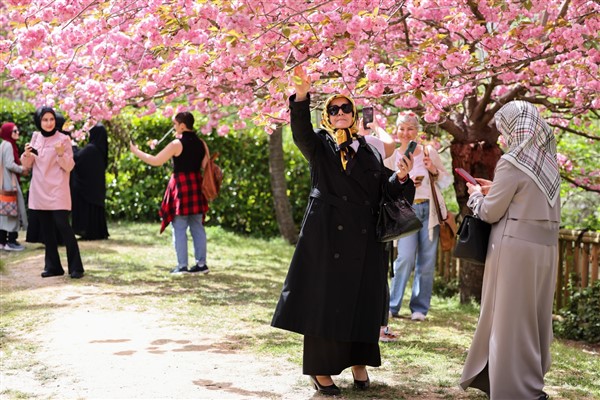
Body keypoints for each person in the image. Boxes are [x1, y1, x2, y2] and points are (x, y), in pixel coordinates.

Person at [271, 66, 415, 396]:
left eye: (345, 108)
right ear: (327, 115)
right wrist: (302, 95)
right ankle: (321, 370)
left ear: (353, 115)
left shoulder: (369, 148)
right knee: (326, 300)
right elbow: (300, 133)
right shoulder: (319, 144)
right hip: (326, 234)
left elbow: (383, 191)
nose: (339, 113)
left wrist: (402, 178)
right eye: (333, 109)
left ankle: (358, 362)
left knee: (361, 300)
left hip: (363, 236)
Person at [459, 101, 560, 400]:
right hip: (545, 250)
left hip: (514, 249)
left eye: (505, 127)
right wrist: (496, 187)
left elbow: (490, 213)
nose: (503, 136)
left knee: (507, 318)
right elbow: (526, 197)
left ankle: (512, 388)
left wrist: (477, 196)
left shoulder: (512, 161)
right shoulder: (547, 161)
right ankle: (529, 381)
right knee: (533, 316)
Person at [385, 111, 452, 322]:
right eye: (402, 128)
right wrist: (401, 180)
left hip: (428, 210)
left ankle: (420, 308)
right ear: (396, 131)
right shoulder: (392, 156)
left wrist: (433, 169)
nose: (406, 133)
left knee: (427, 261)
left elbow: (445, 181)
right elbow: (386, 188)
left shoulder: (428, 152)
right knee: (404, 258)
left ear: (417, 131)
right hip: (405, 211)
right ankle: (392, 305)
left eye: (410, 128)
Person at [130, 111, 209, 274]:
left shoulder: (176, 144)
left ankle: (182, 266)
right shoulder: (202, 143)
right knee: (198, 227)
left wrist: (136, 151)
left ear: (182, 125)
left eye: (175, 124)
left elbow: (155, 161)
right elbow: (206, 166)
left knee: (179, 227)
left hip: (181, 186)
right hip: (196, 185)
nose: (174, 127)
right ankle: (201, 265)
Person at [21, 107, 84, 279]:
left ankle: (76, 267)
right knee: (47, 230)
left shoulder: (64, 139)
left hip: (58, 190)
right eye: (45, 120)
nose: (49, 123)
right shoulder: (35, 137)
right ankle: (53, 266)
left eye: (51, 119)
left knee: (63, 225)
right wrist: (26, 154)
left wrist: (61, 154)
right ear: (39, 121)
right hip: (39, 190)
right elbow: (28, 164)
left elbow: (70, 166)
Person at [71, 122, 110, 240]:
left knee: (88, 209)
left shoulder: (91, 149)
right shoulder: (101, 149)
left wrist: (73, 147)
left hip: (87, 189)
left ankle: (88, 231)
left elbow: (77, 158)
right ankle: (97, 232)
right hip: (97, 188)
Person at [0, 122, 28, 251]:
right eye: (14, 131)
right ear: (8, 133)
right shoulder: (9, 145)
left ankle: (3, 241)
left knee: (5, 214)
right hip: (9, 183)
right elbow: (9, 164)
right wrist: (22, 168)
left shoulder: (4, 144)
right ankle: (11, 241)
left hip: (5, 182)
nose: (17, 133)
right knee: (12, 212)